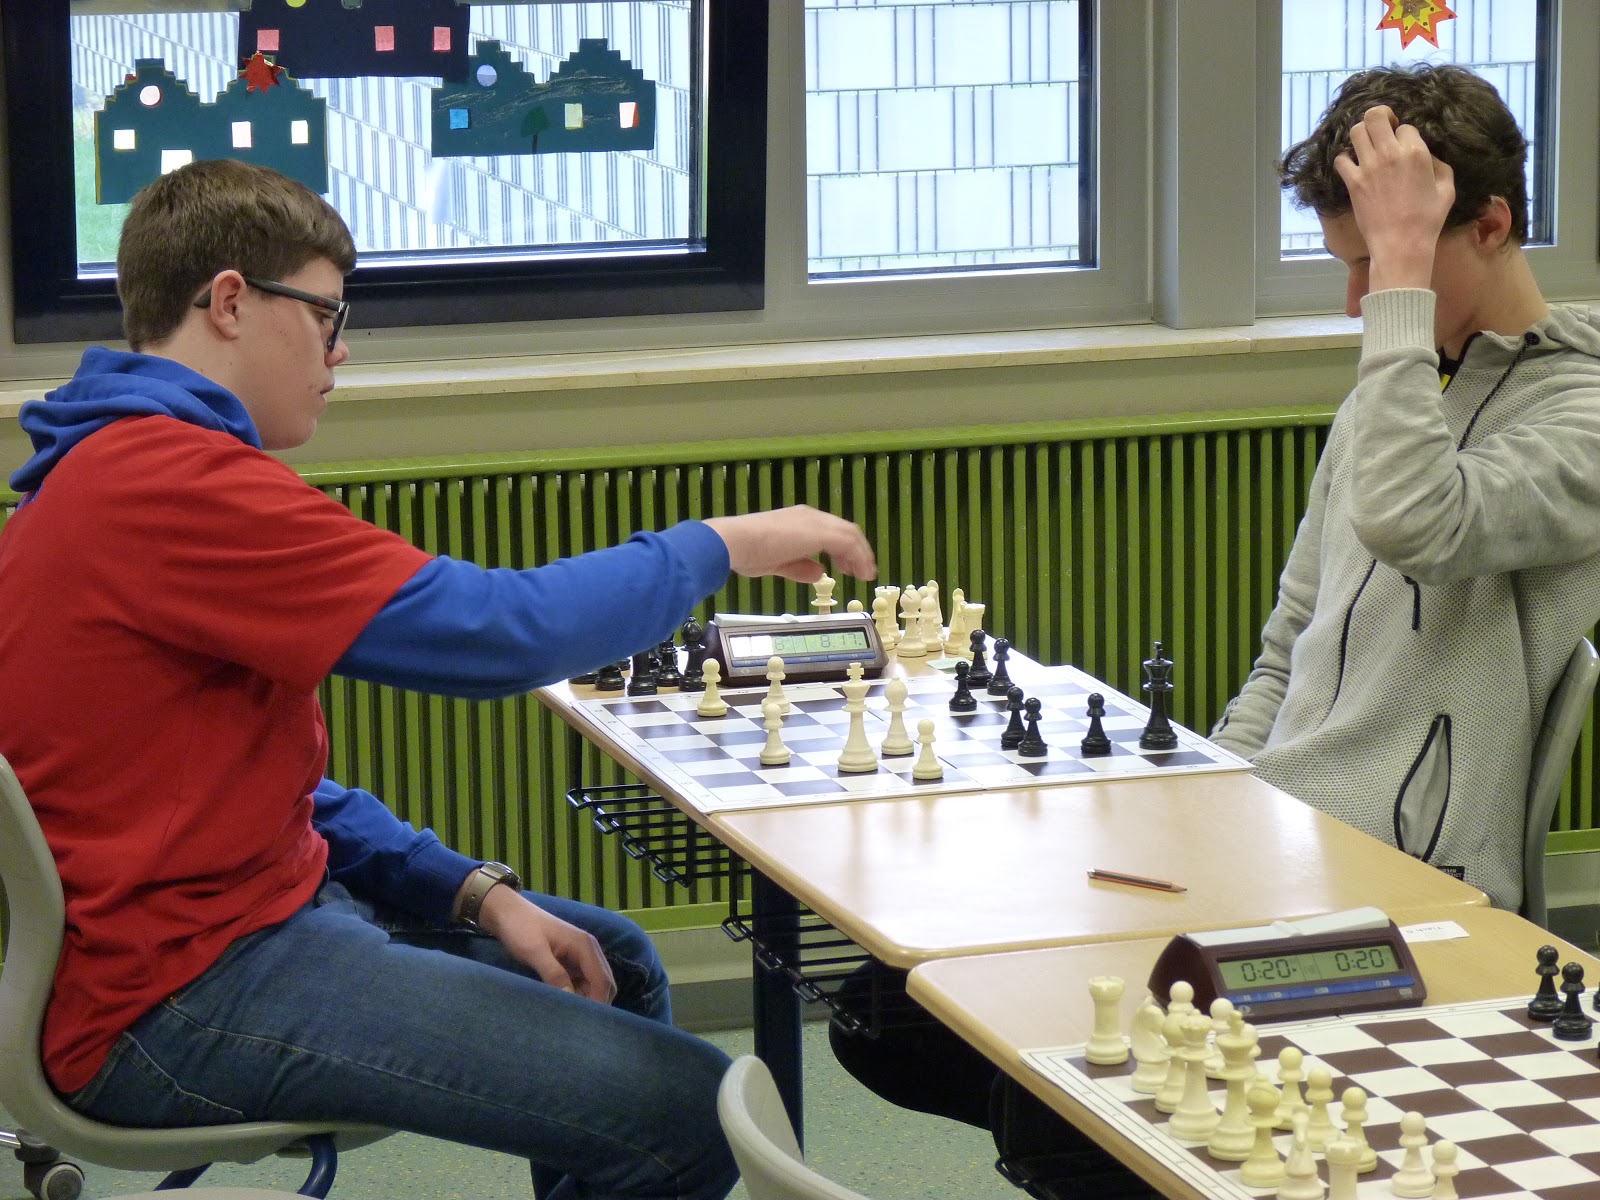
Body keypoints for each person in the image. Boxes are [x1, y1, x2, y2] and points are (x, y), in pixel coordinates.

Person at [0, 158, 877, 1200]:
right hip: (169, 996)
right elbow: (499, 633)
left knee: (615, 963)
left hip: (233, 921)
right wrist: (721, 542)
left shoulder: (117, 464)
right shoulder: (168, 486)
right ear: (230, 302)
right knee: (686, 1113)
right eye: (325, 315)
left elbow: (257, 788)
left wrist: (469, 890)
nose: (340, 349)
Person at [1210, 62, 1600, 913]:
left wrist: (1402, 294)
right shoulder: (1388, 397)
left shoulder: (1584, 418)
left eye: (1379, 265)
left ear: (1489, 225)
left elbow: (1418, 522)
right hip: (1277, 826)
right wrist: (1216, 789)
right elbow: (1291, 642)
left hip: (1412, 878)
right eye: (1353, 267)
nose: (1360, 301)